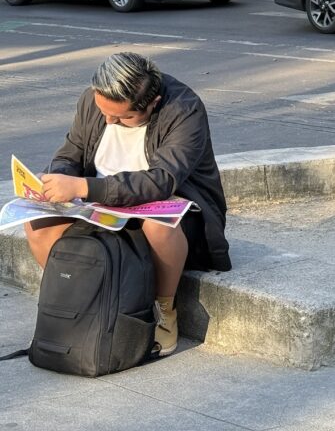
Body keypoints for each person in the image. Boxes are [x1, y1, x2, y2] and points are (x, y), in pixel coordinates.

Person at [25, 52, 231, 357]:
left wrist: (85, 186)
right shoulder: (93, 101)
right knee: (39, 224)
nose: (109, 120)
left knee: (160, 226)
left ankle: (164, 310)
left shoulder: (183, 109)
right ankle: (77, 300)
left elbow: (162, 180)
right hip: (101, 204)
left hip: (167, 206)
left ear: (152, 102)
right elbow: (72, 152)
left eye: (122, 117)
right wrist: (59, 179)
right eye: (104, 111)